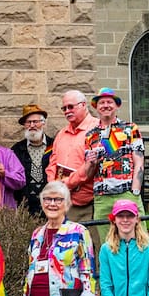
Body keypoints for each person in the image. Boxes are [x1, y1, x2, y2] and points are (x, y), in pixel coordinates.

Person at [86, 87, 146, 221]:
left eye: (109, 102)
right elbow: (89, 174)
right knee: (106, 239)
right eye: (102, 103)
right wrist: (91, 163)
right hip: (102, 197)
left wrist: (135, 191)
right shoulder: (90, 135)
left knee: (137, 237)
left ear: (117, 106)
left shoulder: (130, 129)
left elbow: (139, 161)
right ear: (96, 107)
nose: (105, 105)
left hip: (126, 193)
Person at [47, 90, 99, 223]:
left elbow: (91, 166)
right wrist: (53, 184)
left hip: (87, 203)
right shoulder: (62, 133)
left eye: (71, 107)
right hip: (63, 201)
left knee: (91, 242)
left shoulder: (97, 129)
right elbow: (52, 162)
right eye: (64, 108)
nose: (67, 111)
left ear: (83, 105)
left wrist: (67, 183)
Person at [11, 104, 53, 217]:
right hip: (25, 208)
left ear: (43, 123)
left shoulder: (55, 145)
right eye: (28, 122)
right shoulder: (17, 149)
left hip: (52, 205)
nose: (32, 125)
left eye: (35, 122)